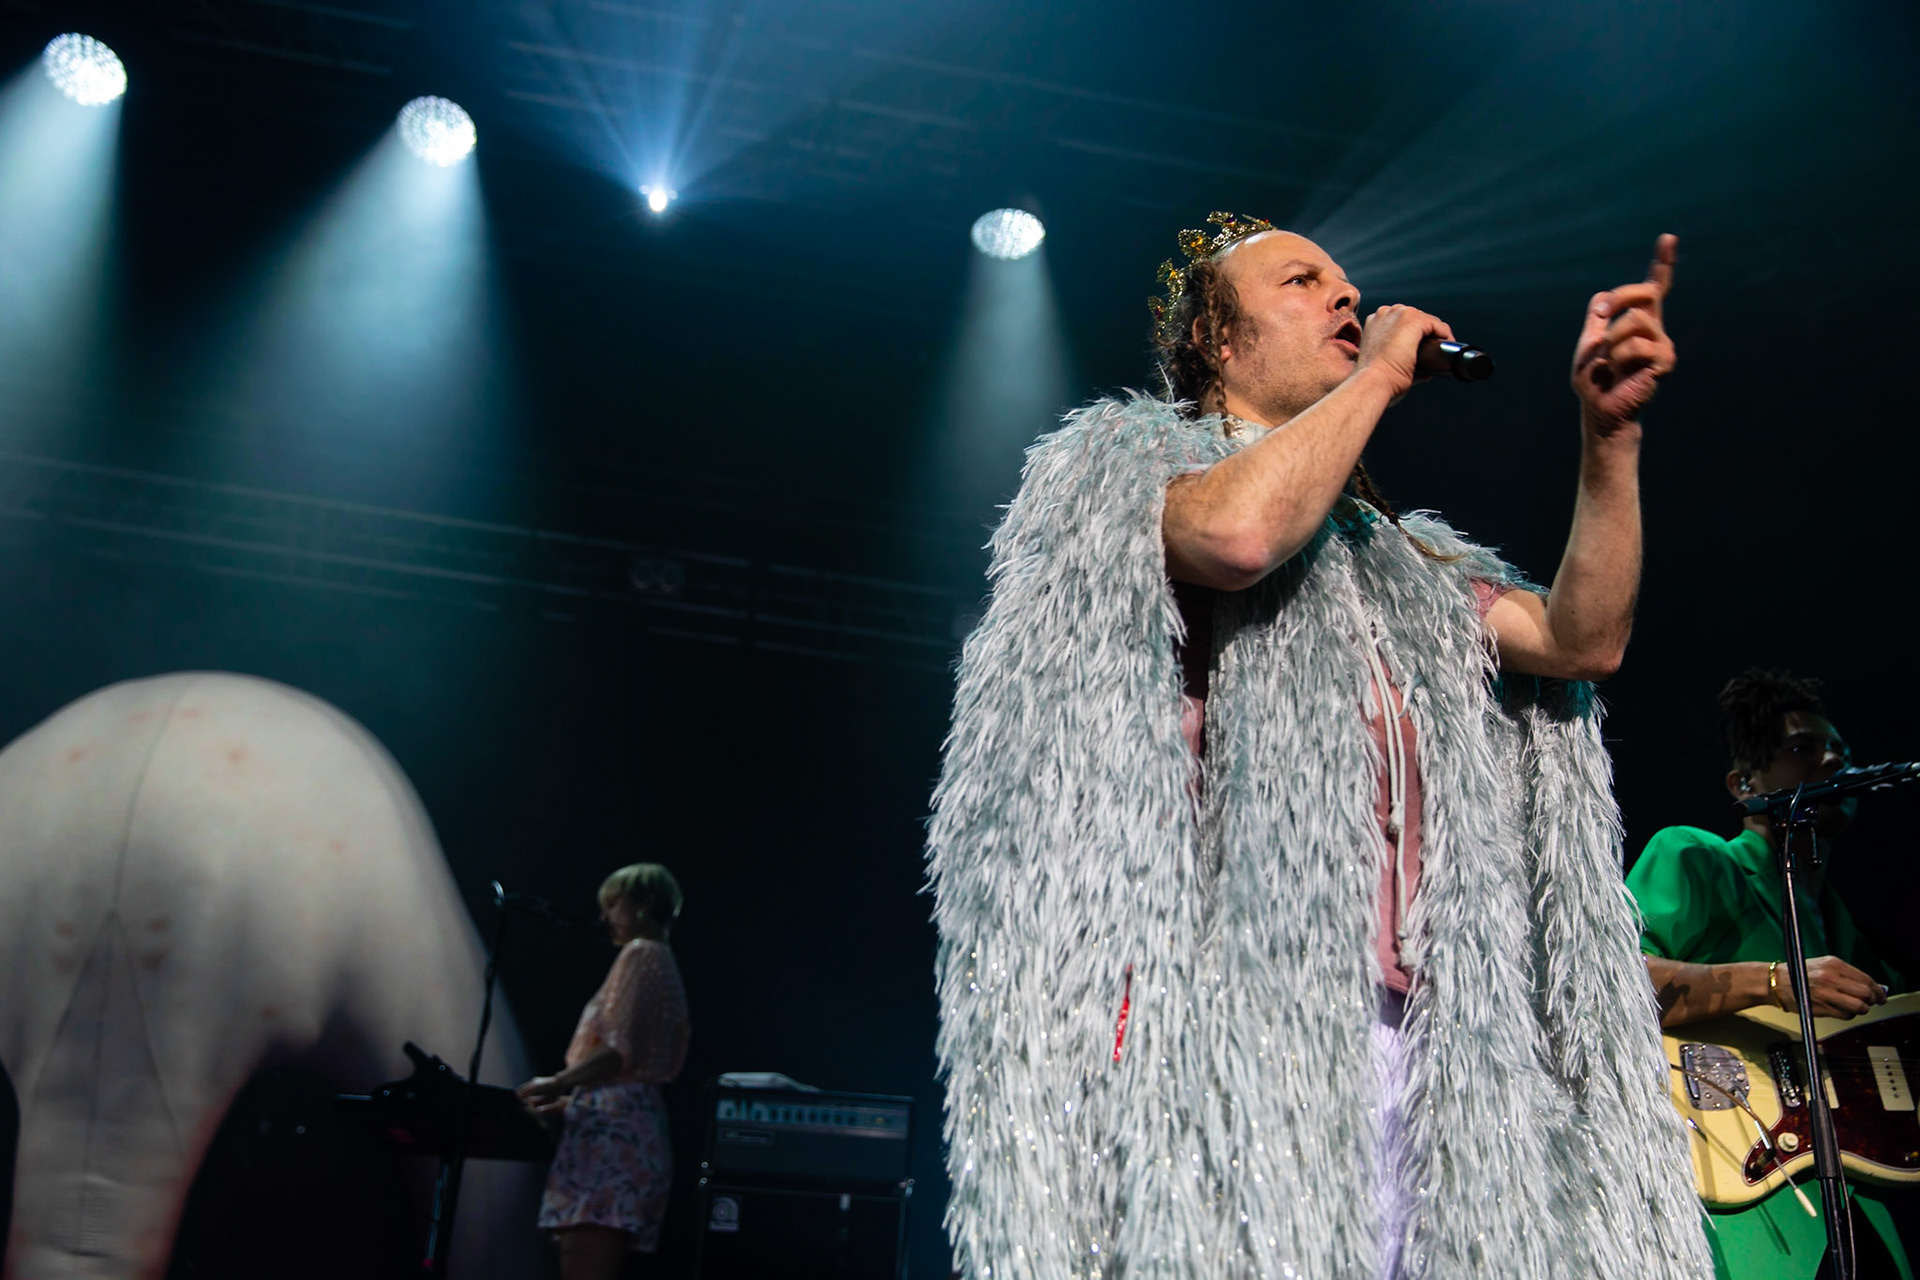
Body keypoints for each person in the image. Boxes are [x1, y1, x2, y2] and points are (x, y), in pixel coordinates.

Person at [926, 213, 1713, 1280]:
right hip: (1221, 1030)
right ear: (1218, 337)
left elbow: (1582, 638)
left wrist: (1608, 438)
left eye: (1351, 287)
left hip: (1422, 1052)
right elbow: (1239, 538)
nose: (1348, 300)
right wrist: (1382, 376)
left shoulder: (1402, 560)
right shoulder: (1121, 468)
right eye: (1304, 282)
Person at [1628, 670, 1913, 1280]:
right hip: (1727, 1182)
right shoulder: (1695, 859)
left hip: (1860, 1213)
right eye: (1802, 748)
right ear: (1744, 783)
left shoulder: (1861, 946)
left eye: (1840, 750)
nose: (1833, 758)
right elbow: (1610, 985)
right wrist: (1776, 981)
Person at [518, 863, 690, 1280]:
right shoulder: (661, 961)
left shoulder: (639, 954)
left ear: (645, 902)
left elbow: (618, 1052)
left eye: (613, 904)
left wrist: (557, 1082)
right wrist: (569, 1101)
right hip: (628, 1127)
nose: (605, 917)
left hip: (611, 1139)